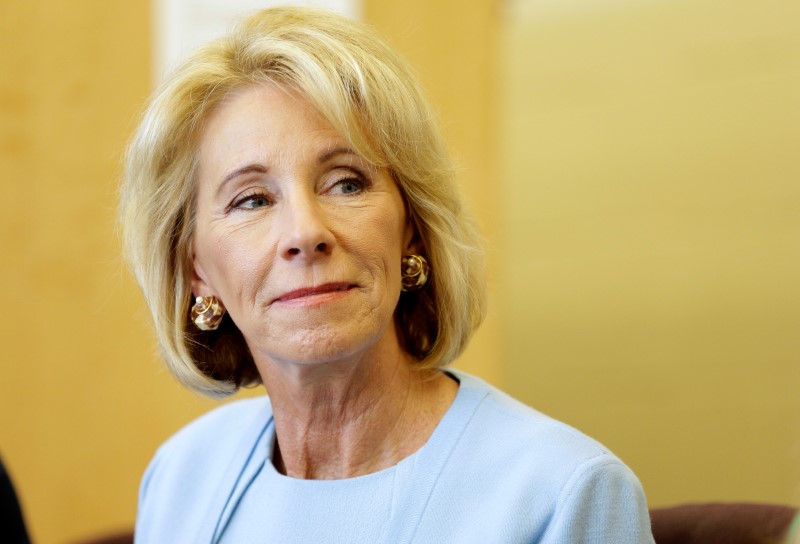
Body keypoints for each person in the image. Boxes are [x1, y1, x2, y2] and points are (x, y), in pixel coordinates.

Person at [120, 6, 654, 543]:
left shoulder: (562, 492)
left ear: (411, 229)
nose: (305, 233)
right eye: (252, 199)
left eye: (346, 183)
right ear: (196, 271)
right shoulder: (182, 476)